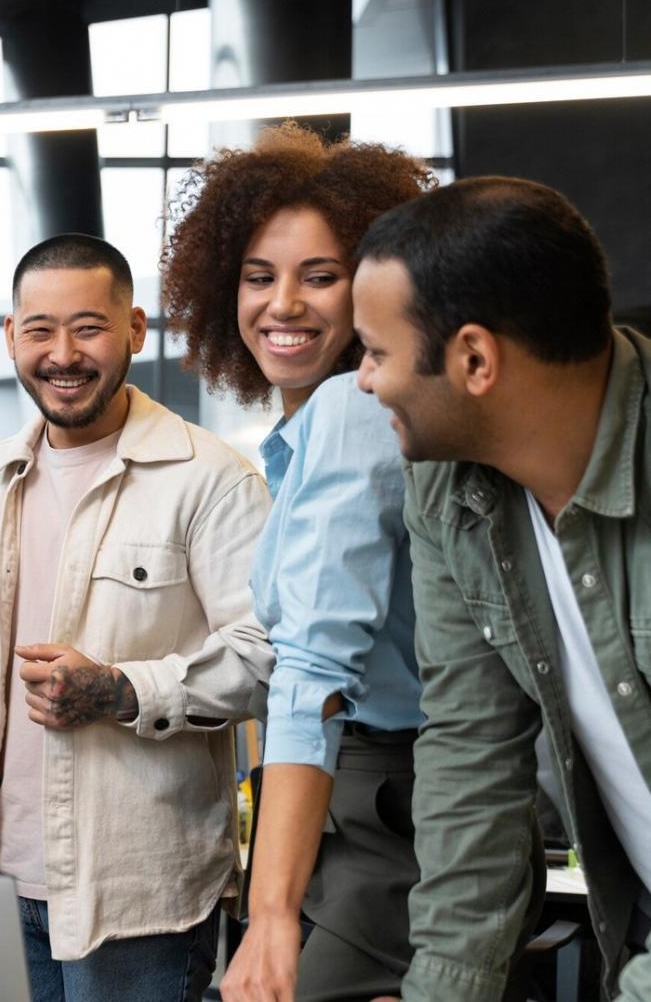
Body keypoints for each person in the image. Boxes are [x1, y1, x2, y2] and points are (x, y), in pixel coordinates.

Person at [0, 233, 274, 1002]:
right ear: (11, 336)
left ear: (133, 329)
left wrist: (120, 690)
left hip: (139, 896)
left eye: (88, 328)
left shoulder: (210, 479)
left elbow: (267, 659)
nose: (62, 354)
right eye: (40, 330)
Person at [352, 176, 647, 1000]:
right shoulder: (447, 488)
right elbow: (470, 754)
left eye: (374, 352)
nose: (363, 381)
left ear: (474, 360)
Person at [160, 122, 433, 1001]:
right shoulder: (310, 431)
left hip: (381, 792)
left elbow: (314, 667)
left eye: (320, 276)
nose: (283, 305)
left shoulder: (352, 411)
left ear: (376, 288)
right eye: (257, 277)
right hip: (357, 790)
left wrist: (270, 914)